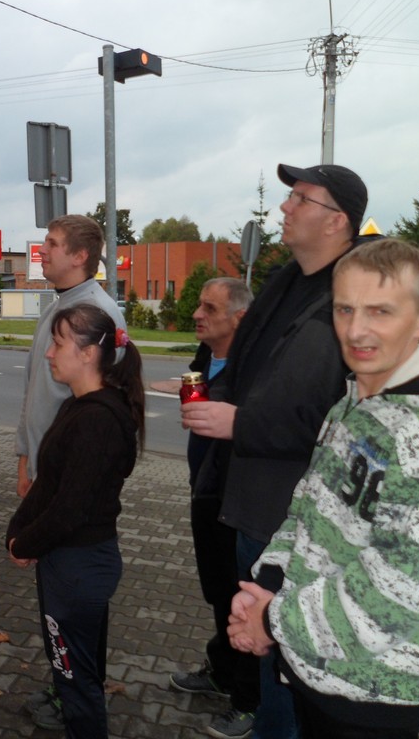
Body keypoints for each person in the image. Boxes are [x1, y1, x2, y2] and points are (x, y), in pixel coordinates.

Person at [227, 238, 419, 739]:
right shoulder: (355, 401)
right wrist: (268, 582)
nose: (356, 330)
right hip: (320, 663)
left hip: (374, 690)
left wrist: (271, 621)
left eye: (381, 311)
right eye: (345, 309)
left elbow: (395, 596)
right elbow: (308, 510)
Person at [177, 163, 368, 739]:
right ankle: (251, 706)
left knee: (287, 659)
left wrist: (241, 422)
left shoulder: (352, 297)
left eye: (301, 198)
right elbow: (245, 371)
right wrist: (217, 404)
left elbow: (342, 418)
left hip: (298, 516)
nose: (285, 207)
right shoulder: (286, 282)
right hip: (249, 501)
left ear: (336, 221)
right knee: (254, 640)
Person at [6, 304, 146, 739]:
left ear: (87, 354)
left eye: (58, 343)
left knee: (75, 679)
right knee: (75, 671)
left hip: (80, 566)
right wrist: (18, 532)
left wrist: (26, 544)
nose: (49, 353)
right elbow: (48, 484)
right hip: (66, 562)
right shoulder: (78, 407)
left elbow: (70, 508)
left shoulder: (98, 420)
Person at [14, 214, 125, 729]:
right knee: (63, 618)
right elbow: (36, 395)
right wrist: (26, 457)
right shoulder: (61, 306)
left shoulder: (95, 313)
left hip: (66, 493)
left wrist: (39, 506)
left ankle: (78, 693)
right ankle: (71, 686)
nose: (42, 251)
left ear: (81, 256)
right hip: (48, 476)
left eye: (53, 244)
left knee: (72, 615)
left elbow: (96, 420)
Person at [171, 279, 258, 723]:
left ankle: (248, 702)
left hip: (236, 500)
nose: (197, 314)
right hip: (204, 489)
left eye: (209, 308)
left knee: (240, 598)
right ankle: (222, 673)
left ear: (239, 318)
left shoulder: (256, 366)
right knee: (217, 592)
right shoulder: (206, 356)